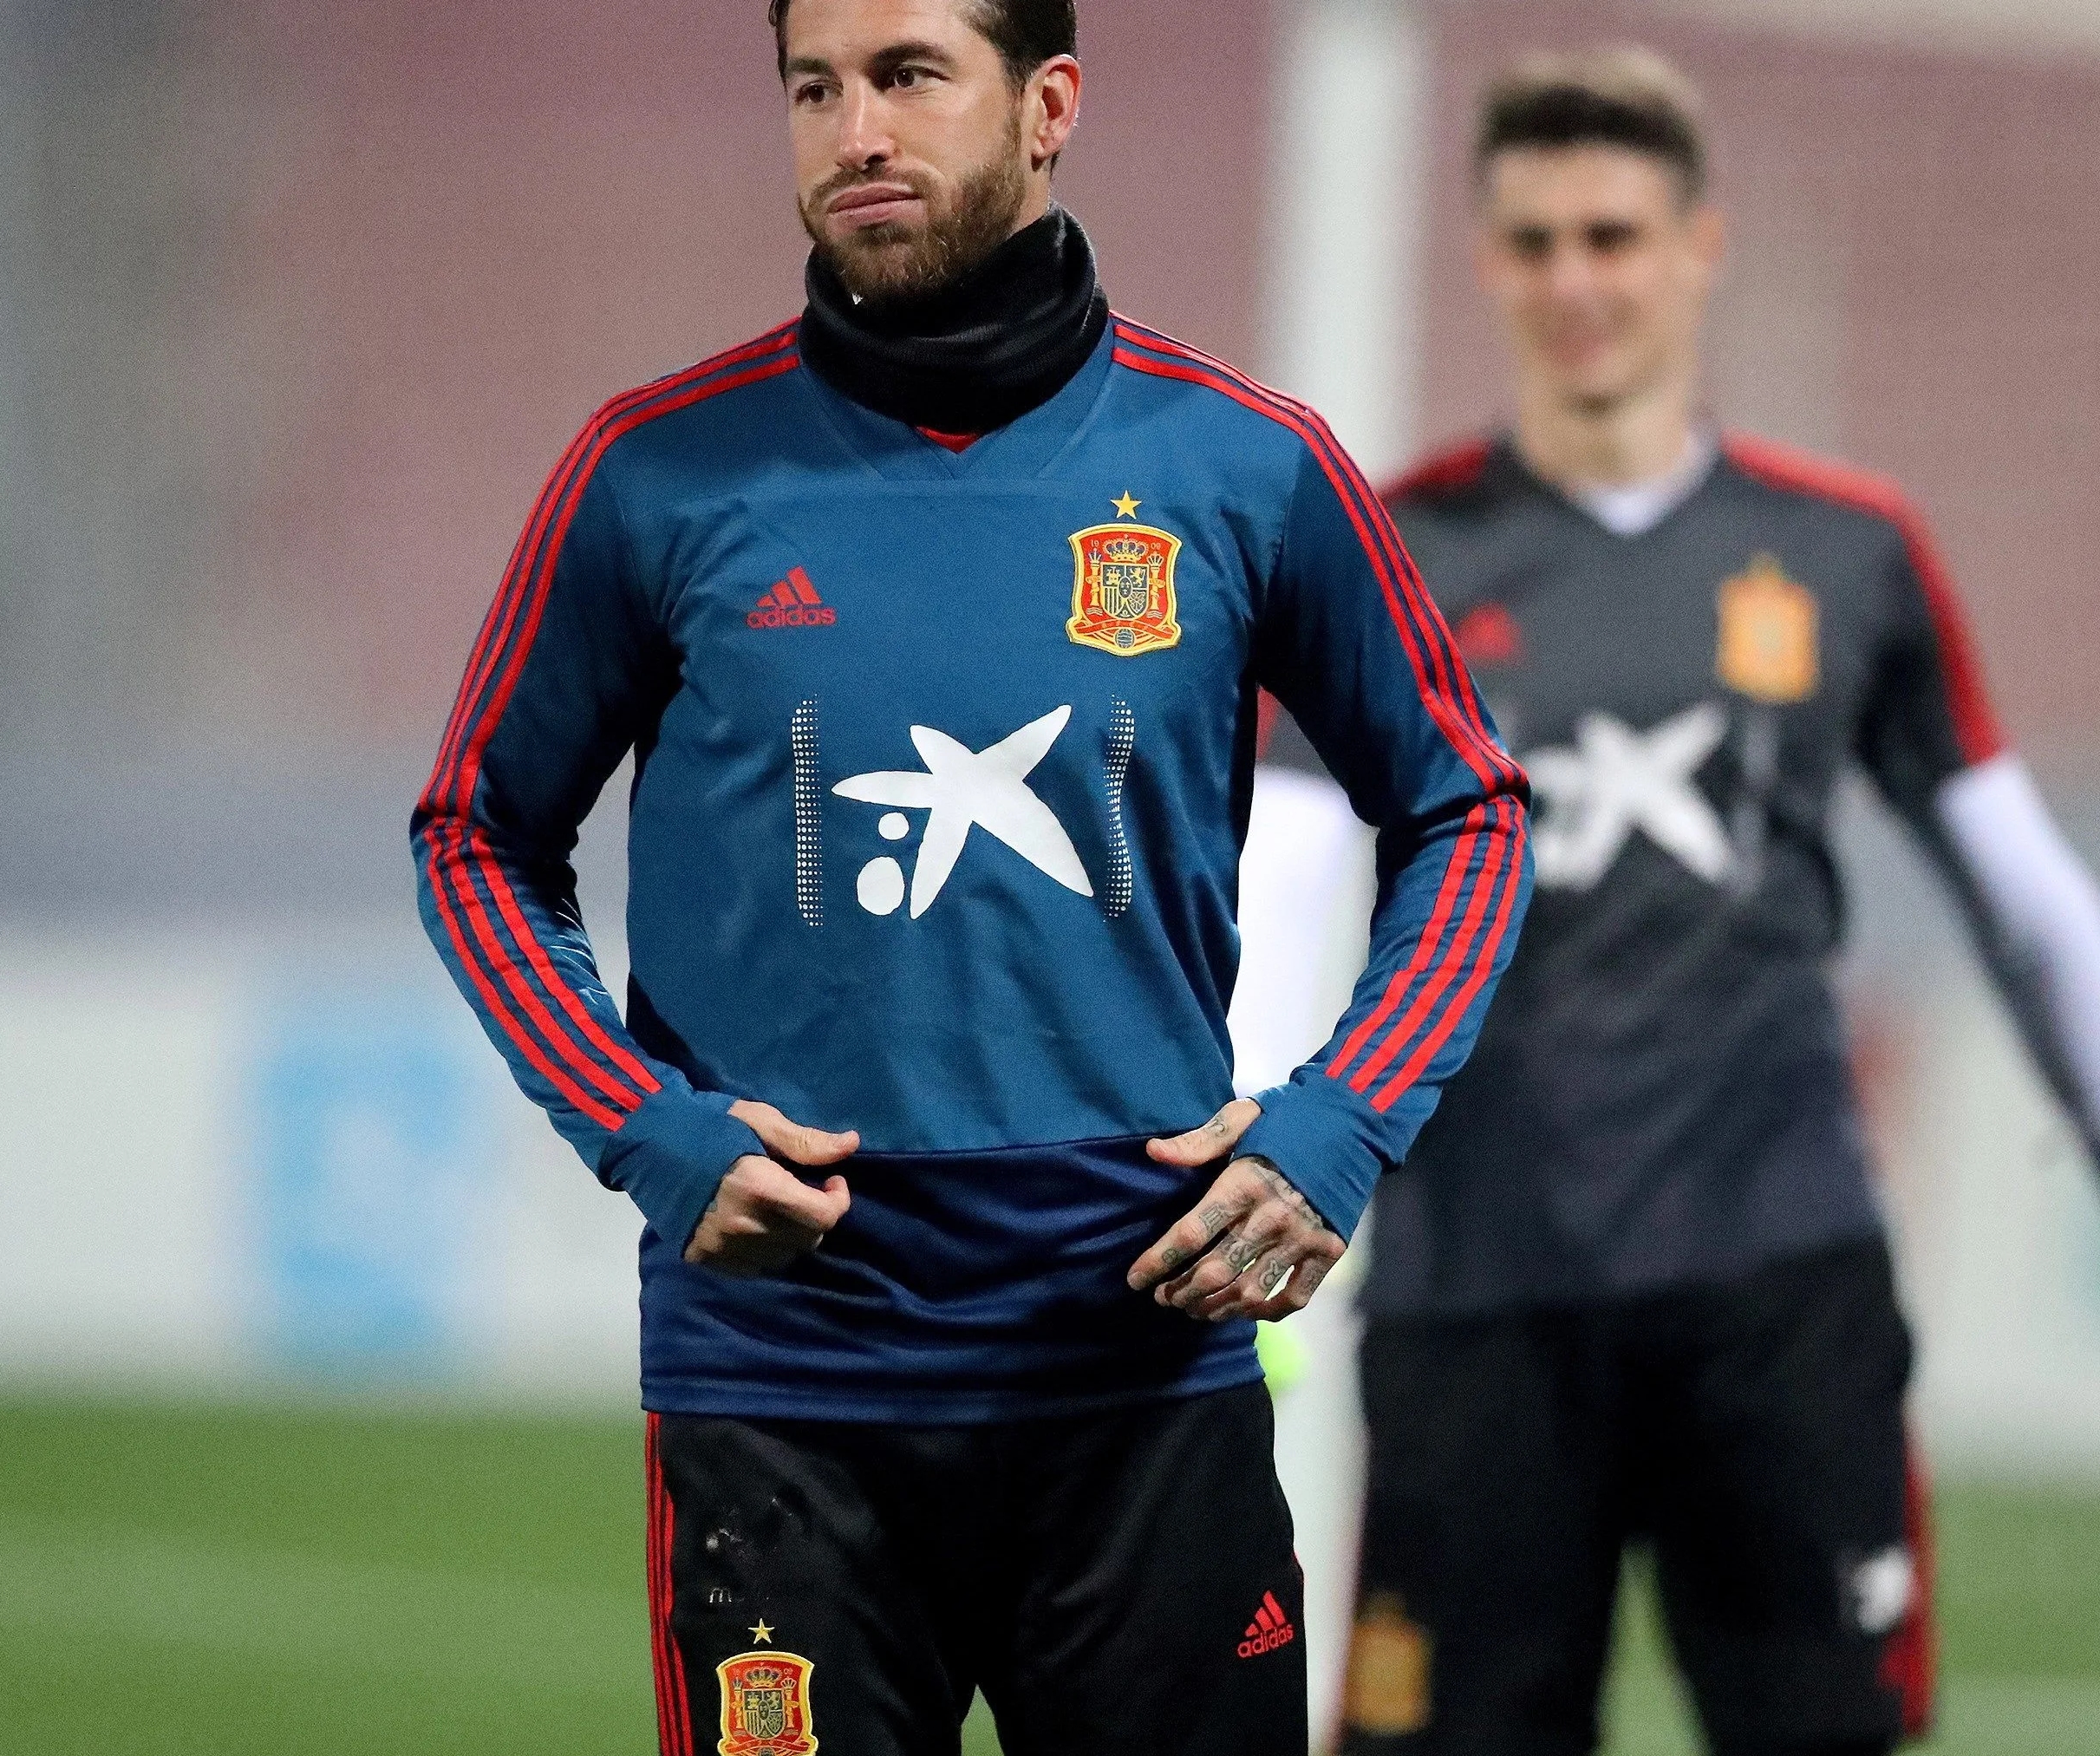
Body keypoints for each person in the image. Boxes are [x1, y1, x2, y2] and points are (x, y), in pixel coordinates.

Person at [408, 3, 1529, 1752]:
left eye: (911, 74)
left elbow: (1467, 808)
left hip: (1141, 1356)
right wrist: (646, 1123)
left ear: (1050, 104)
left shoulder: (1246, 465)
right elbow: (476, 832)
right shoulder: (654, 474)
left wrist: (1340, 1123)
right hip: (783, 1381)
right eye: (814, 86)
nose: (855, 127)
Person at [1301, 49, 2100, 1756]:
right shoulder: (1386, 552)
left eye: (1613, 234)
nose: (1575, 283)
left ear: (1700, 244)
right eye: (1532, 241)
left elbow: (2023, 894)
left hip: (1780, 1296)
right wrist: (1254, 1168)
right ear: (1484, 257)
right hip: (1475, 1300)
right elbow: (1277, 871)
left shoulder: (1851, 550)